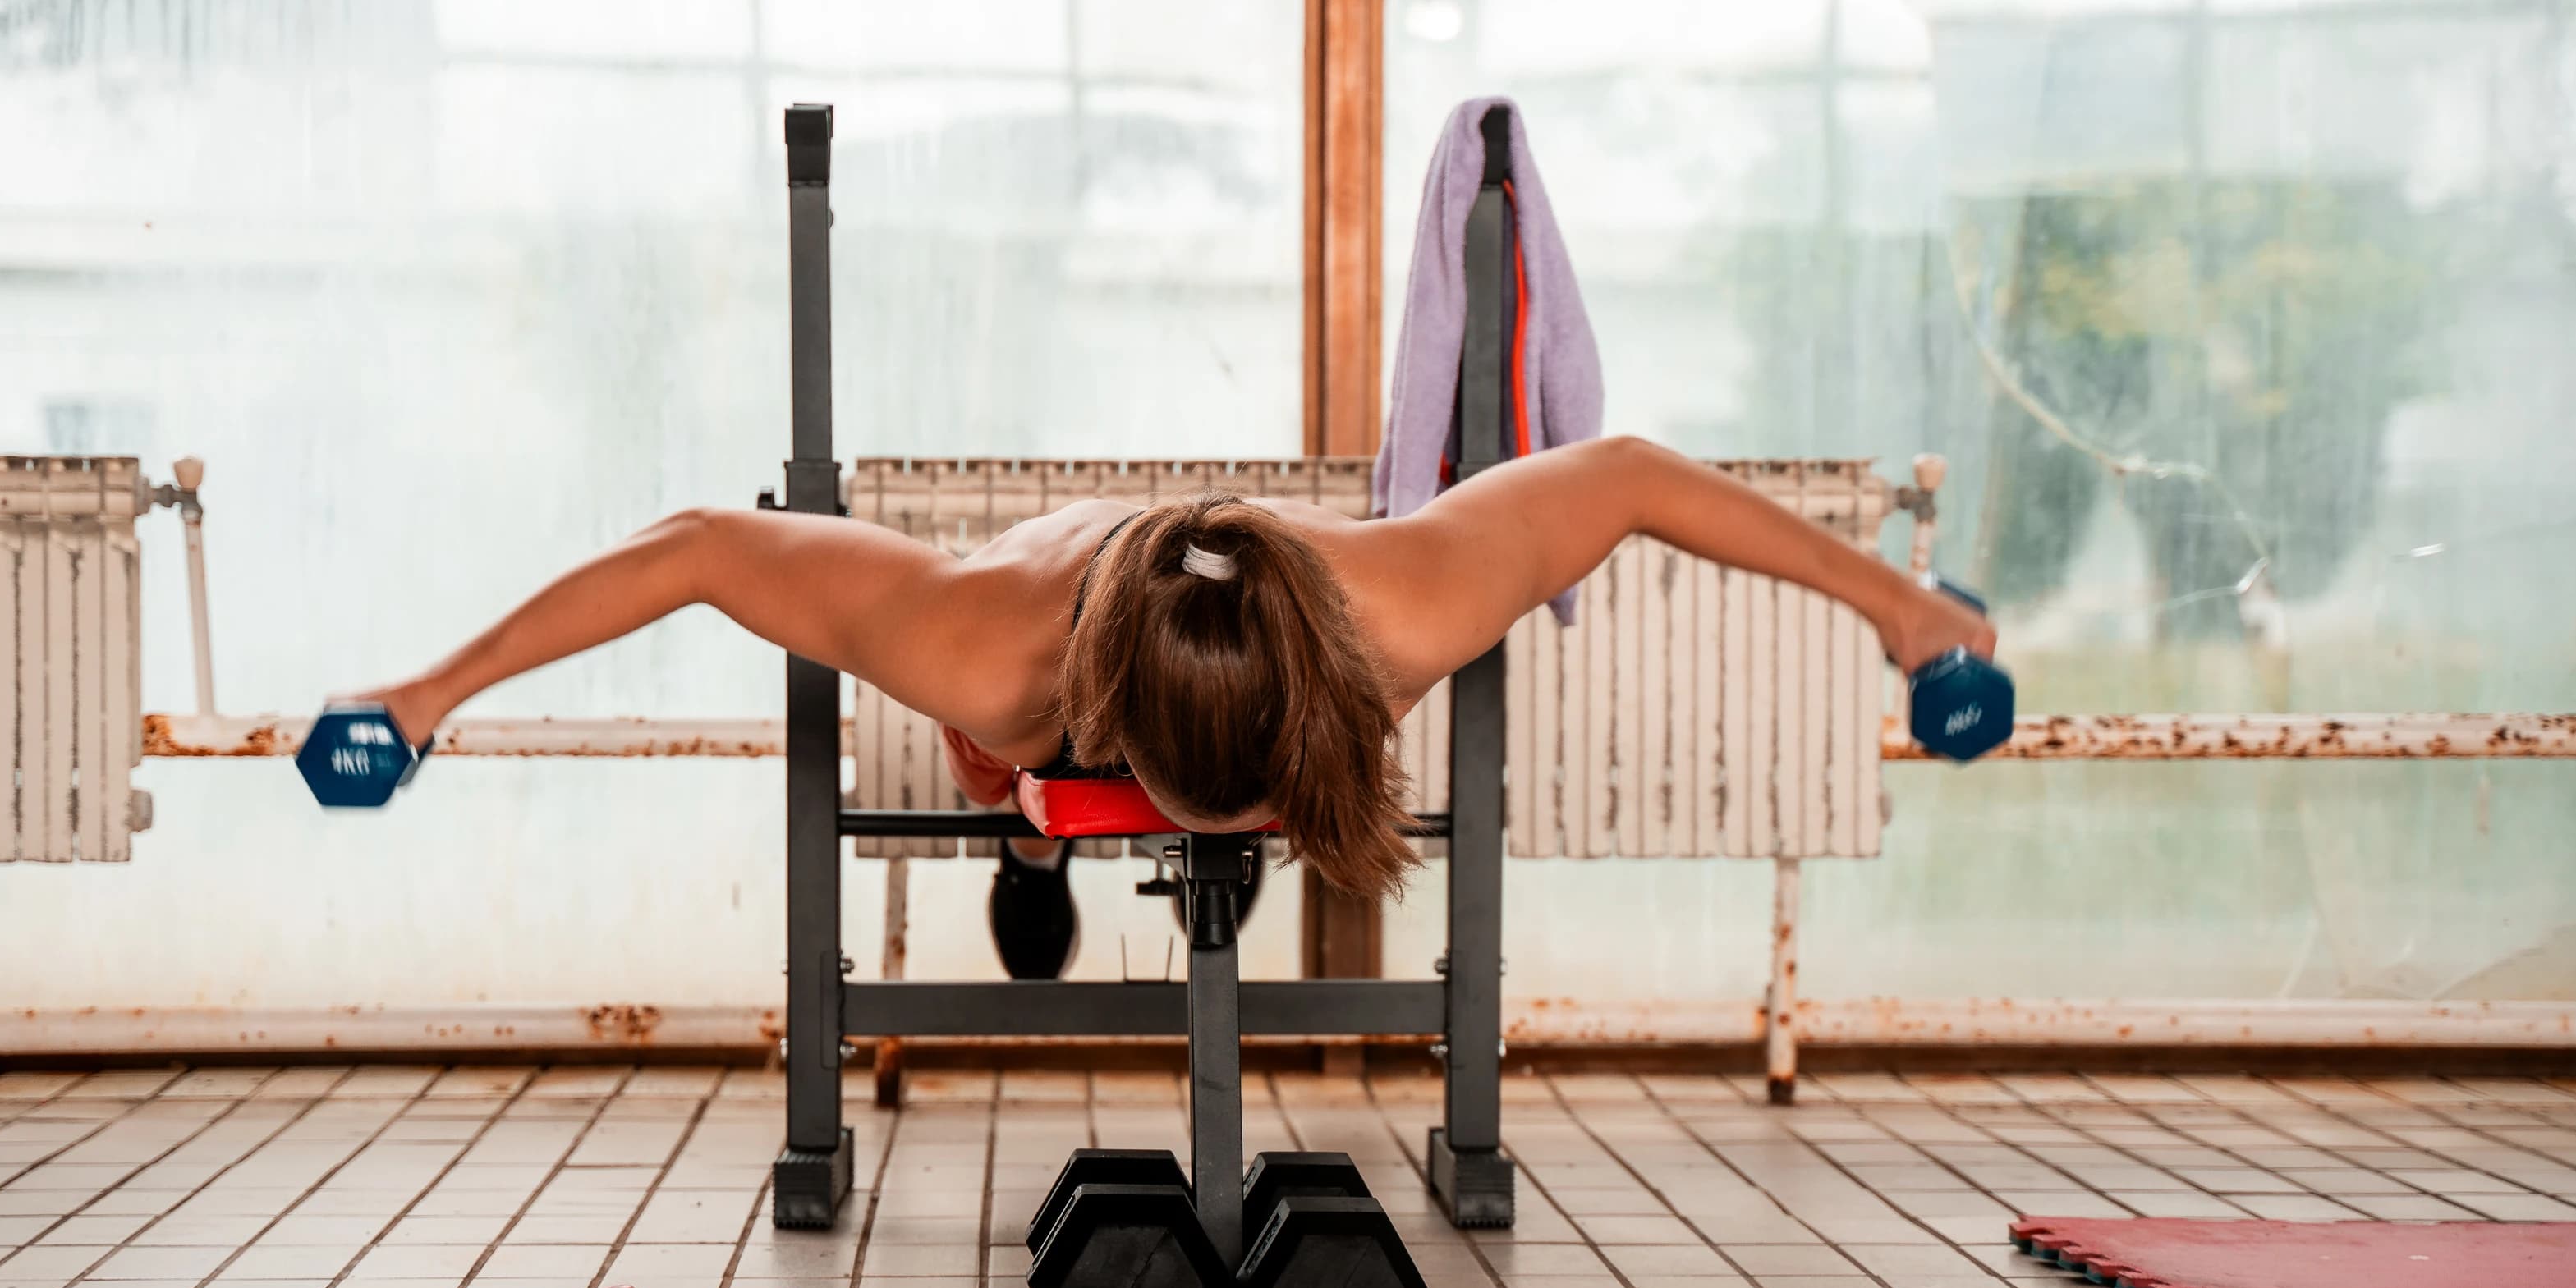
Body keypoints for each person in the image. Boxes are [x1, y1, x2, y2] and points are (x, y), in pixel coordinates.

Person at [344, 435, 1995, 974]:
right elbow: (698, 547)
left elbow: (1631, 474)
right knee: (999, 758)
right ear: (1124, 743)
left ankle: (1049, 841)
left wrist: (1902, 612)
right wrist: (428, 693)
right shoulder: (975, 644)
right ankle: (1036, 845)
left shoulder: (1401, 613)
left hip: (1223, 660)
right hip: (1042, 695)